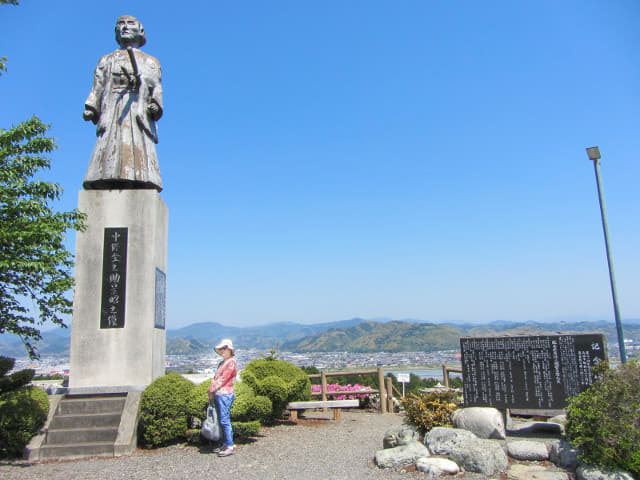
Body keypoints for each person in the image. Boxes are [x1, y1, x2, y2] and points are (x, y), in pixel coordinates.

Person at [82, 15, 163, 191]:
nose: (124, 27)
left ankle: (138, 178)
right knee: (110, 144)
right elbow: (98, 86)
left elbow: (156, 88)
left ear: (140, 31)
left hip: (136, 109)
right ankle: (106, 178)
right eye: (120, 24)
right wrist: (92, 107)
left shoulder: (150, 61)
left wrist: (155, 105)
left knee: (135, 145)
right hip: (112, 109)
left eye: (130, 24)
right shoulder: (107, 60)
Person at [208, 339, 238, 457]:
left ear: (230, 350)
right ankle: (226, 443)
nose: (223, 351)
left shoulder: (231, 362)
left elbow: (221, 379)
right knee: (222, 420)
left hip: (225, 394)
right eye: (221, 349)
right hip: (219, 394)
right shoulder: (222, 363)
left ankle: (229, 445)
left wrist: (210, 390)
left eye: (225, 348)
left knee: (224, 420)